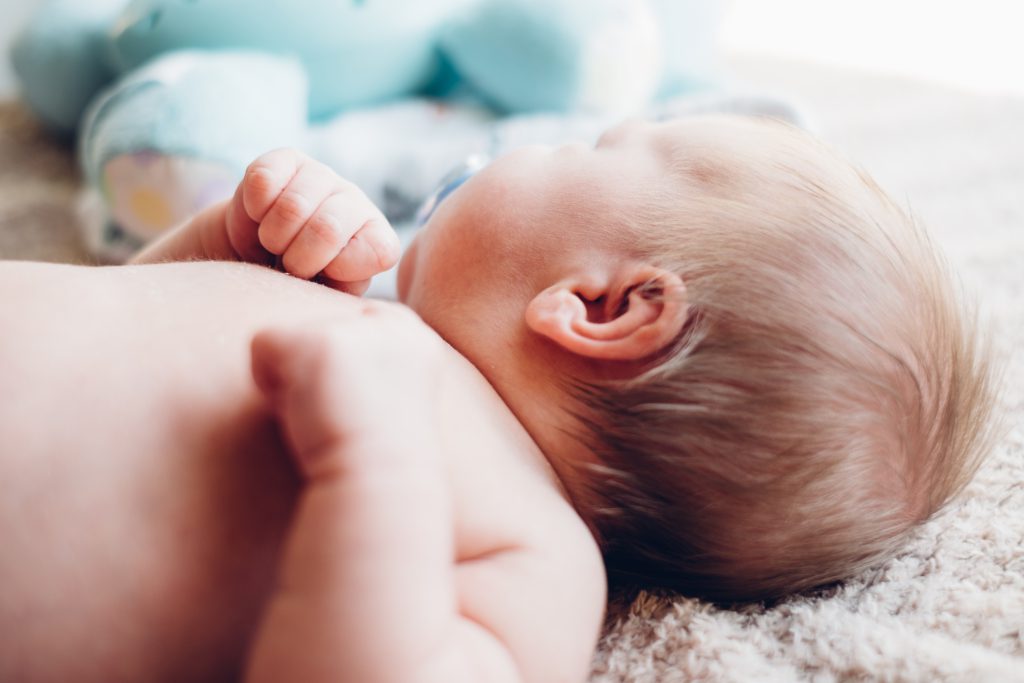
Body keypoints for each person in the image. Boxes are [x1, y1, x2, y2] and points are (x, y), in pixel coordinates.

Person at [0, 115, 997, 683]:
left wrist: (373, 465)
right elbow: (125, 311)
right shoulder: (378, 325)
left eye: (597, 146)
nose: (540, 140)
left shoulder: (538, 558)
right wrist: (231, 244)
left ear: (601, 306)